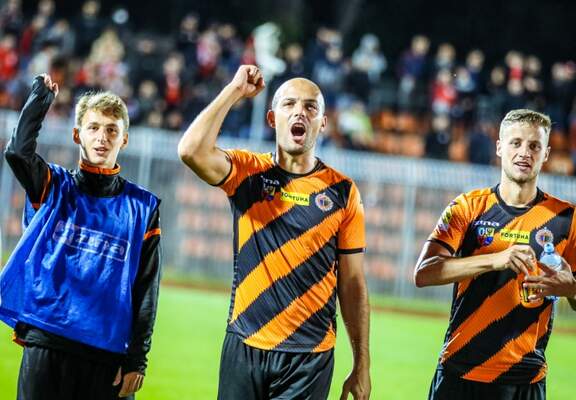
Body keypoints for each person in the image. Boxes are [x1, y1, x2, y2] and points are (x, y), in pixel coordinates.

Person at [178, 65, 371, 400]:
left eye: (311, 107)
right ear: (272, 118)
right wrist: (235, 91)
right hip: (245, 343)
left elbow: (352, 283)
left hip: (309, 357)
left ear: (323, 123)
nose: (300, 112)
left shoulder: (343, 192)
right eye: (289, 104)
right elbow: (190, 151)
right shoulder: (247, 172)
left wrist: (361, 364)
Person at [0, 74, 162, 399]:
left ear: (124, 140)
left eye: (112, 130)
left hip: (107, 353)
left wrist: (137, 359)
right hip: (47, 339)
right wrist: (40, 99)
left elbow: (147, 288)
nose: (102, 137)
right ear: (77, 135)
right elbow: (17, 152)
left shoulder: (143, 207)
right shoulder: (53, 186)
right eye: (93, 127)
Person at [414, 109, 576, 400]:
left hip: (525, 379)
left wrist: (572, 289)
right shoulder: (467, 207)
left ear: (546, 154)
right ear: (500, 147)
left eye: (534, 145)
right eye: (516, 143)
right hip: (459, 373)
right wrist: (495, 259)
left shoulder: (567, 219)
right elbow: (424, 273)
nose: (524, 152)